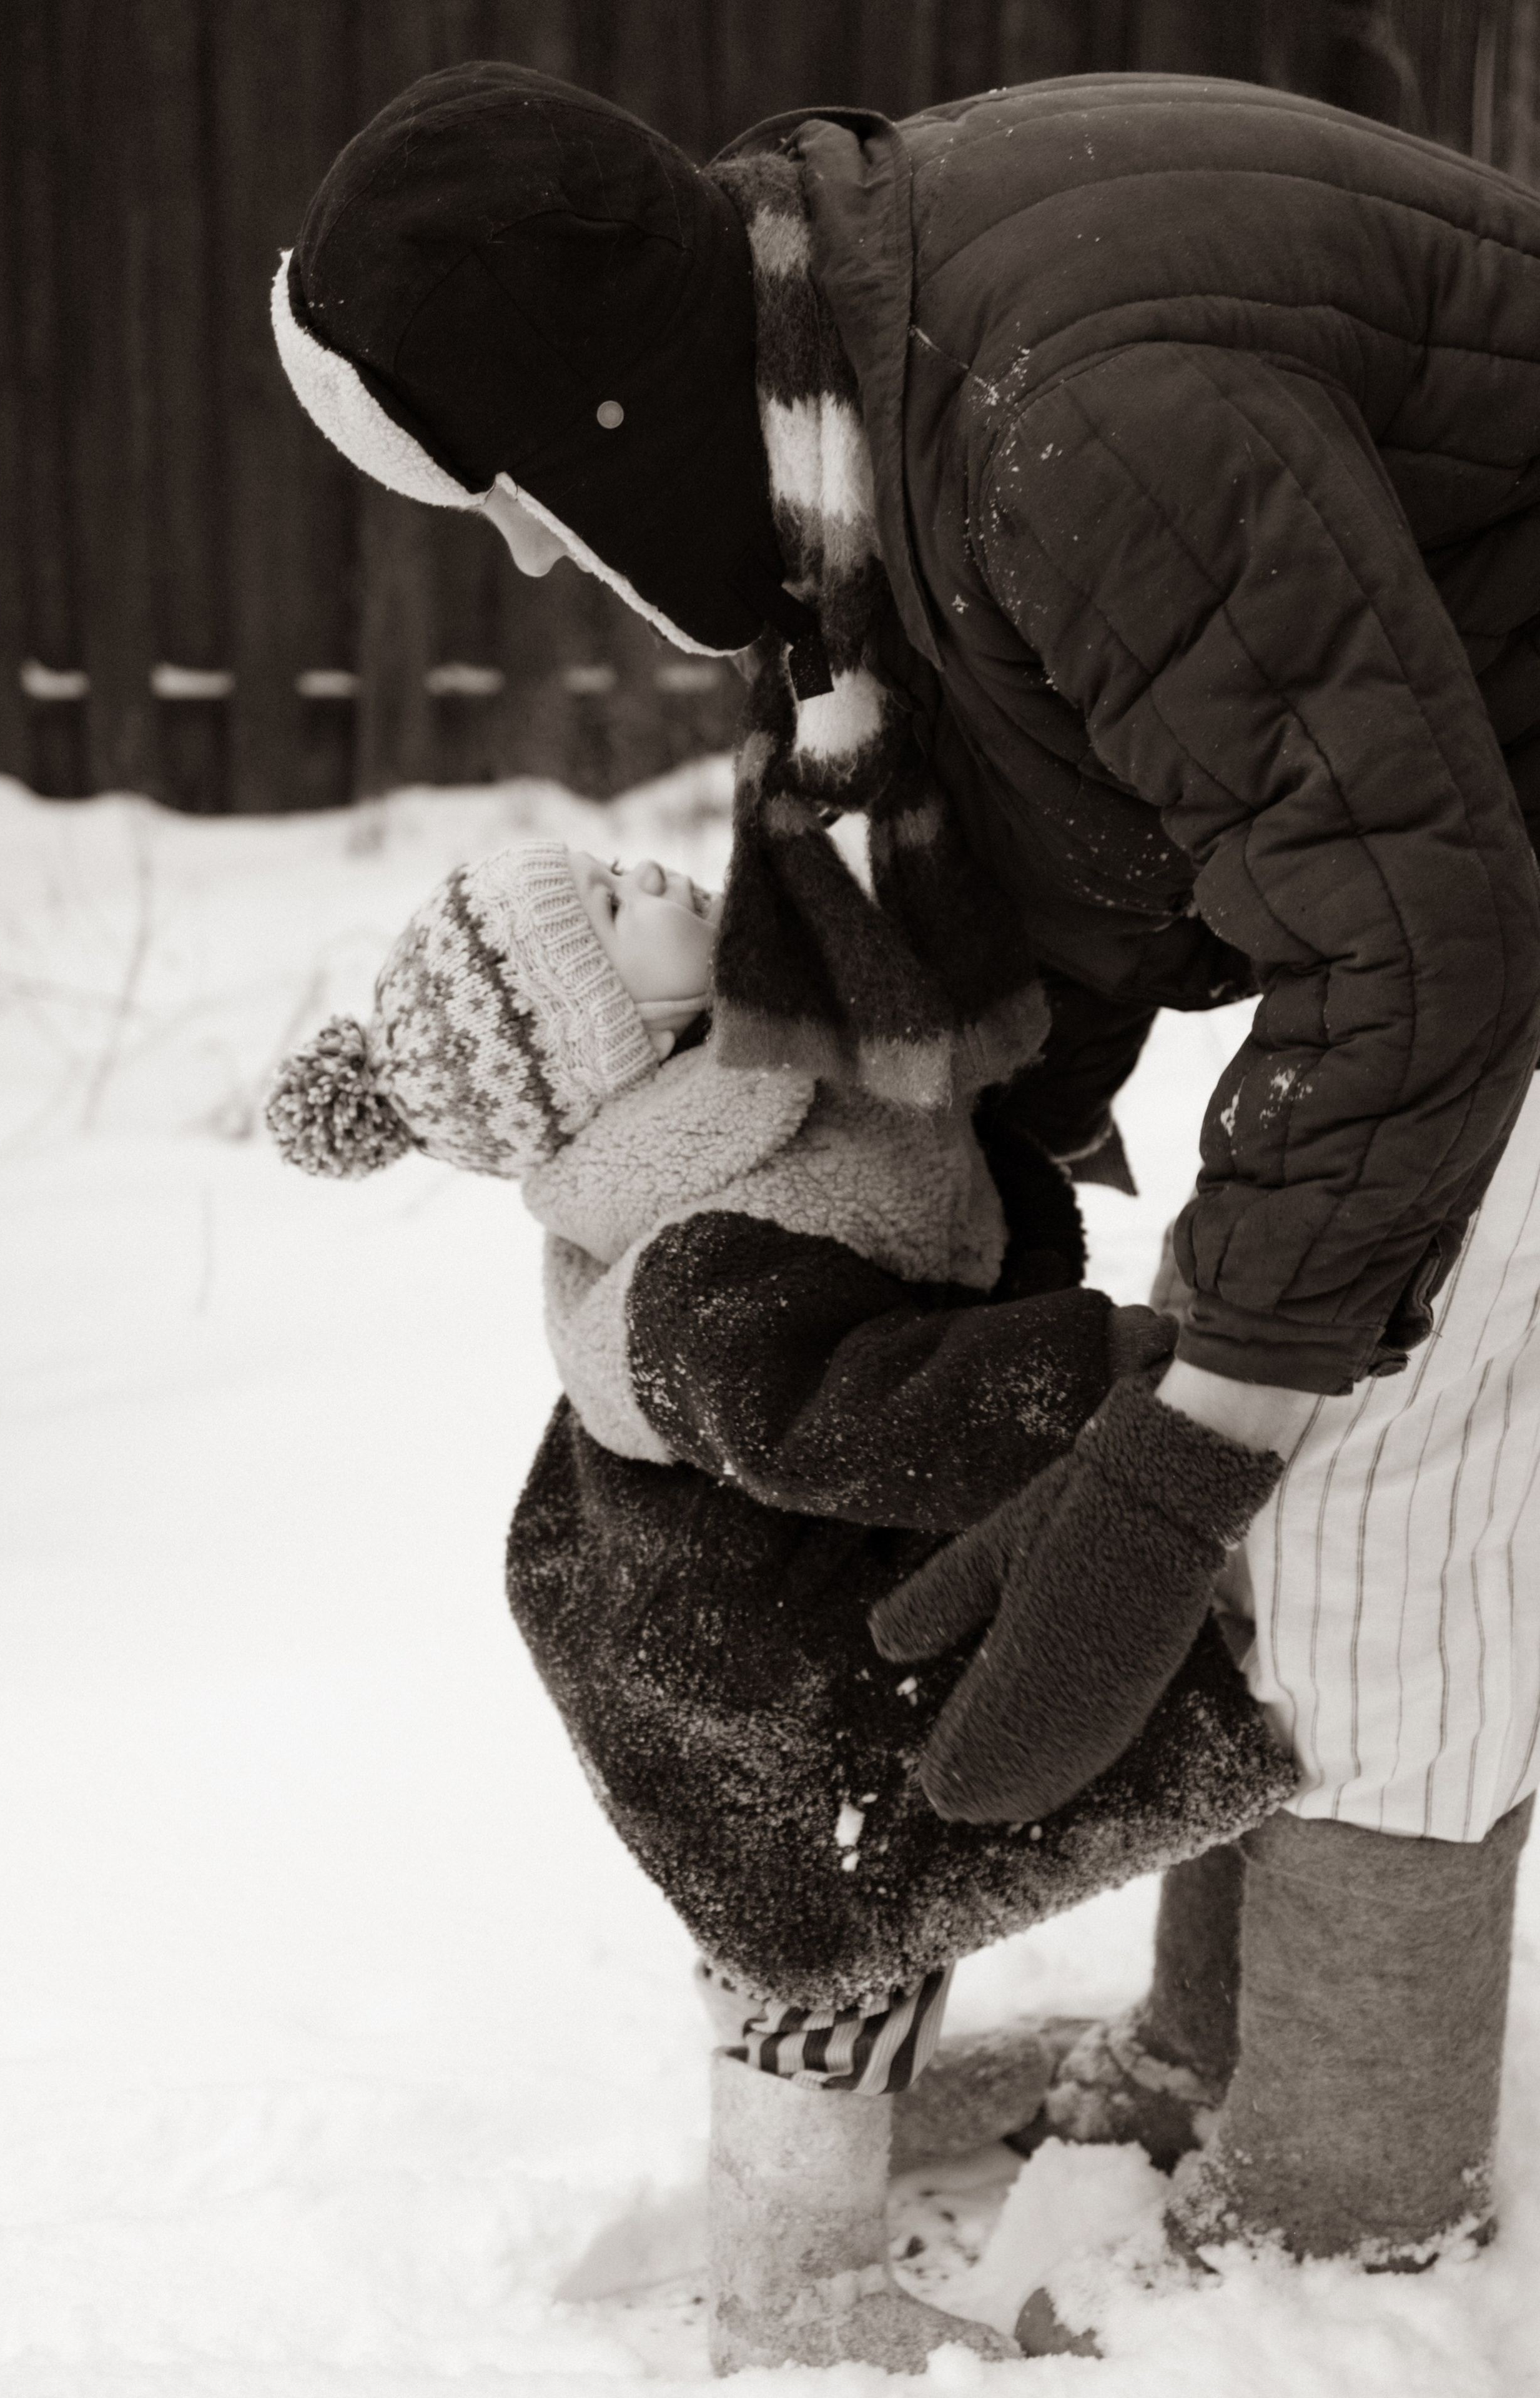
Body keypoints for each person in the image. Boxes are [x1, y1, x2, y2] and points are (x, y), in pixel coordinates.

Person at [271, 59, 1540, 2349]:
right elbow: (1058, 825)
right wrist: (992, 1231)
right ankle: (1210, 2065)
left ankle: (1343, 2233)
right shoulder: (846, 390)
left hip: (1483, 905)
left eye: (516, 499)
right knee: (1301, 1422)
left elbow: (1417, 949)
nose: (545, 555)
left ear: (590, 412)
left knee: (1375, 1504)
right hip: (1450, 861)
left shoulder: (1061, 423)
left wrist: (1175, 1459)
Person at [264, 838, 1291, 2372]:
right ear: (611, 1045)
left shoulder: (735, 1091)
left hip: (802, 1592)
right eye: (612, 917)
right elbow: (855, 1407)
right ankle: (793, 2288)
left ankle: (872, 2128)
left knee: (863, 1919)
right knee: (828, 1936)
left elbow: (924, 1188)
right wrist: (1113, 1373)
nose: (649, 877)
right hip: (753, 1662)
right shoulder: (690, 1258)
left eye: (610, 869)